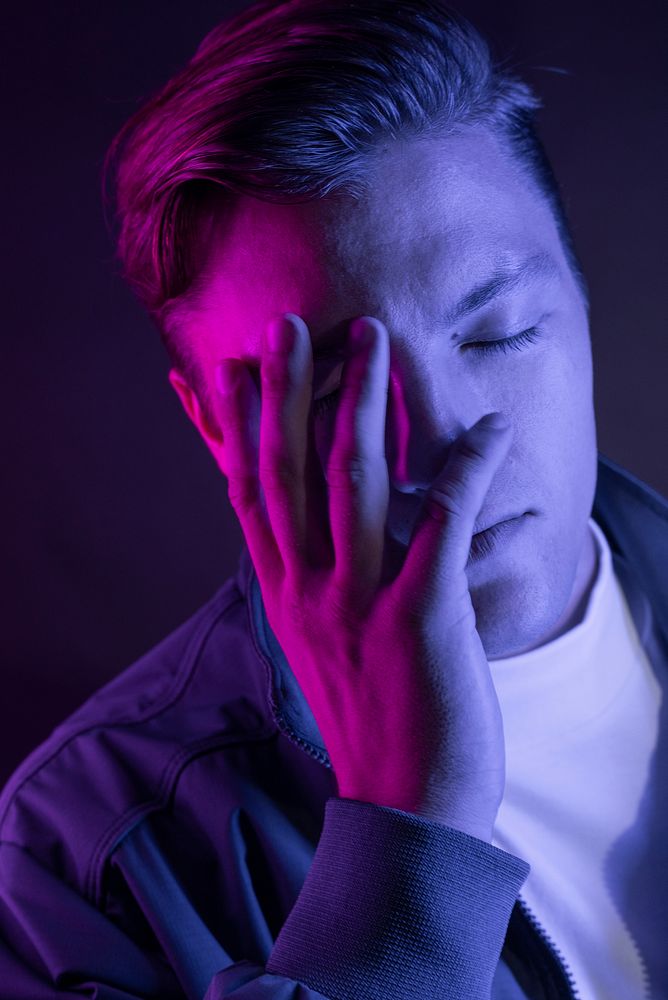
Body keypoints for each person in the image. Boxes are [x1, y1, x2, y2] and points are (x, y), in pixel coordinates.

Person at [1, 1, 666, 997]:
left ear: (576, 296)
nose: (443, 440)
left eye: (498, 335)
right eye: (333, 395)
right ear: (218, 430)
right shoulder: (78, 861)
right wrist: (407, 837)